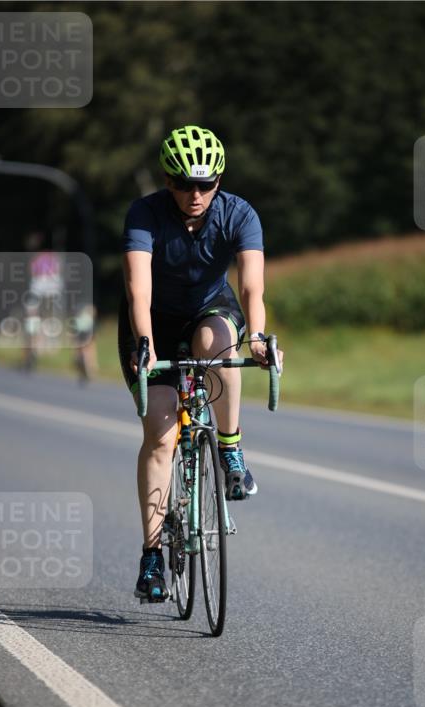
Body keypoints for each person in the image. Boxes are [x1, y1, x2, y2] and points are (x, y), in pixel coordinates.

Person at [119, 124, 282, 602]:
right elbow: (138, 290)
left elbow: (252, 285)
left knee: (220, 347)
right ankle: (151, 554)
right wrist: (145, 342)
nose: (195, 194)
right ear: (167, 181)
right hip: (152, 322)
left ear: (218, 181)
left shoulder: (238, 213)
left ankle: (230, 449)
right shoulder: (144, 214)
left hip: (210, 310)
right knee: (162, 436)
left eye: (206, 184)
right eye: (184, 184)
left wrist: (256, 335)